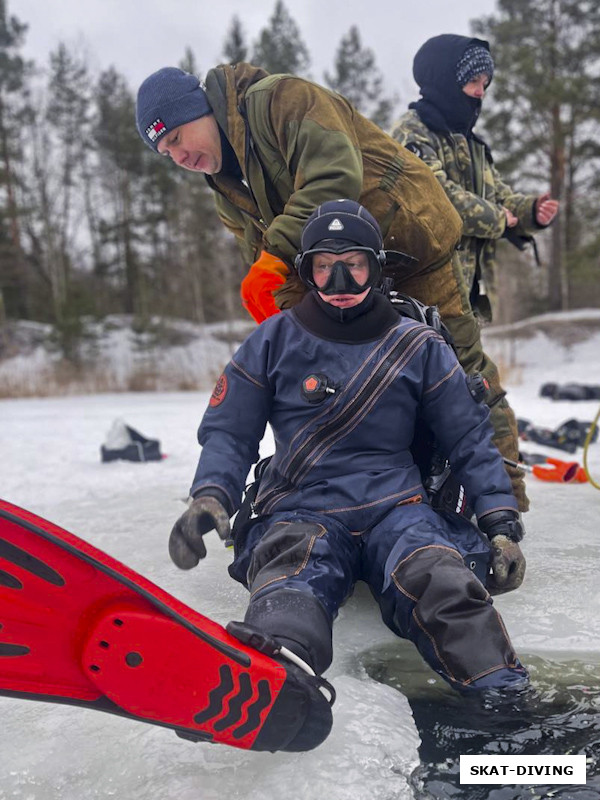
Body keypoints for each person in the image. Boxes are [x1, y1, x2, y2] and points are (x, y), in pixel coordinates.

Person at [168, 200, 528, 746]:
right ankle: (270, 681)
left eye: (354, 264)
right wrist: (210, 497)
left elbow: (470, 439)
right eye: (324, 265)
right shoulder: (272, 341)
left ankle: (505, 705)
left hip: (399, 509)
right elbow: (229, 431)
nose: (339, 279)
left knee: (444, 581)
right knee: (290, 582)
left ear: (377, 267)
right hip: (302, 508)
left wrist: (500, 521)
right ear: (307, 271)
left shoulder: (419, 346)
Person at [135, 62, 528, 510]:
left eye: (176, 139)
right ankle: (363, 502)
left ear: (199, 110)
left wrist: (275, 258)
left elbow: (333, 177)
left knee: (460, 367)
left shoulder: (283, 100)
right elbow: (266, 261)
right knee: (345, 374)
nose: (178, 157)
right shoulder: (225, 188)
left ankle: (505, 506)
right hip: (333, 274)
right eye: (166, 153)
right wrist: (288, 318)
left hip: (410, 240)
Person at [392, 34, 559, 322]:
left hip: (465, 292)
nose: (481, 92)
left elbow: (500, 195)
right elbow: (434, 197)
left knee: (468, 366)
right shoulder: (412, 131)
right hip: (421, 293)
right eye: (473, 82)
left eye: (485, 84)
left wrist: (531, 211)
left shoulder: (473, 144)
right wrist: (498, 219)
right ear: (447, 81)